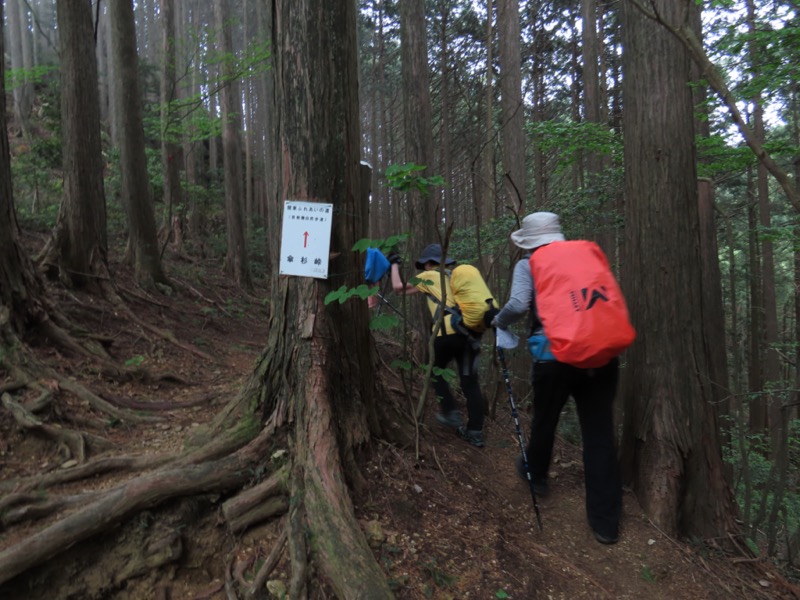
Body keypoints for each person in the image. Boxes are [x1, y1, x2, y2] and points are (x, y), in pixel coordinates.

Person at [492, 212, 623, 544]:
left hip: (556, 357)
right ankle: (606, 523)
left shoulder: (529, 264)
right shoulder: (586, 255)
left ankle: (536, 475)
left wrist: (499, 322)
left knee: (545, 420)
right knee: (599, 435)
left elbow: (520, 304)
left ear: (529, 241)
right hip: (602, 355)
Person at [389, 243, 487, 448]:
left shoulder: (429, 276)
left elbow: (399, 288)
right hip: (468, 335)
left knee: (434, 371)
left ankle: (450, 412)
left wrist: (394, 265)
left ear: (427, 264)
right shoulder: (454, 277)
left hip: (447, 335)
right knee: (470, 383)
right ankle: (475, 432)